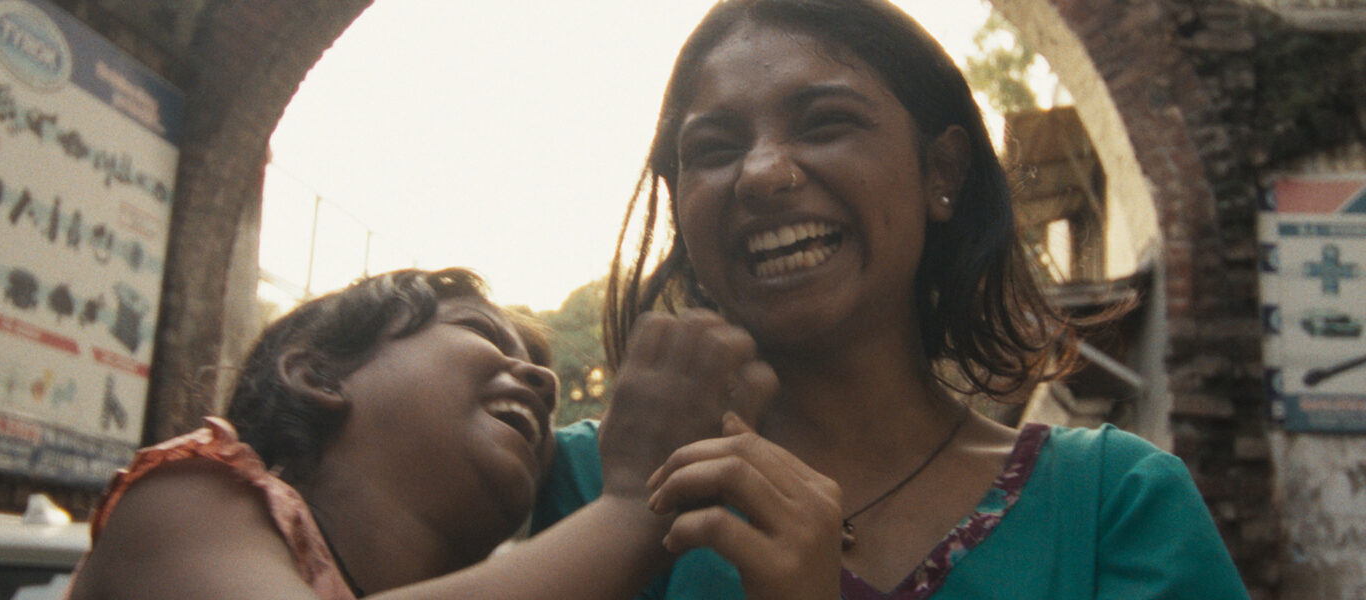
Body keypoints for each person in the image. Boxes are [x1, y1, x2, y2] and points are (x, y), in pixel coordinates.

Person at [533, 1, 1252, 598]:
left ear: (942, 171)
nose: (762, 172)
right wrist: (624, 519)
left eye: (824, 123)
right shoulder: (586, 485)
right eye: (715, 149)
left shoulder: (1115, 505)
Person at [66, 268, 775, 600]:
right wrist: (627, 511)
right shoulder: (190, 497)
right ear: (318, 374)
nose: (541, 380)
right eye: (480, 332)